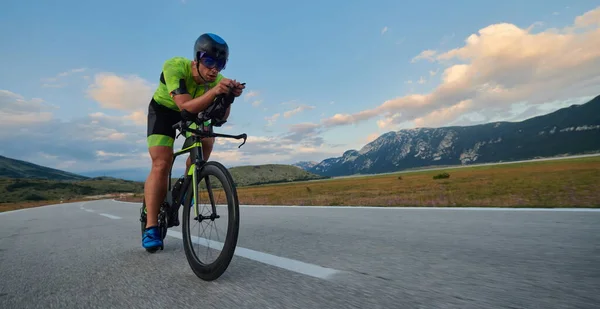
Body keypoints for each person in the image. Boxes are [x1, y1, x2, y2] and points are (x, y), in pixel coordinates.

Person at [142, 33, 245, 250]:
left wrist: (229, 98)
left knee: (206, 141)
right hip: (164, 111)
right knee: (162, 163)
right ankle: (151, 226)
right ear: (197, 59)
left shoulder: (216, 80)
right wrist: (217, 90)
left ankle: (189, 184)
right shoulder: (175, 66)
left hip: (194, 111)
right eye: (209, 62)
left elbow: (220, 119)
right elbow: (185, 107)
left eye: (220, 64)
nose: (214, 69)